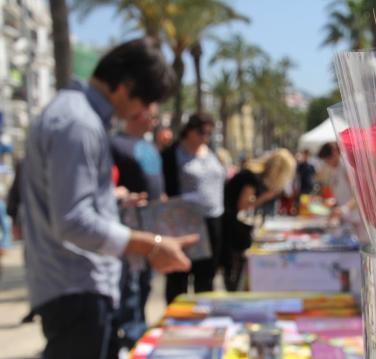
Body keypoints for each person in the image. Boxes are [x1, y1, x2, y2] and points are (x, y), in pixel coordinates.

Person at [21, 38, 198, 359]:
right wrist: (152, 244)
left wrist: (110, 200)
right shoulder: (79, 124)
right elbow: (73, 222)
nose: (145, 112)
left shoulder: (72, 114)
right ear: (124, 87)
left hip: (74, 289)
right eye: (145, 101)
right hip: (77, 291)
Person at [110, 103, 164, 349]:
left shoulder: (150, 146)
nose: (154, 120)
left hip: (151, 226)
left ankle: (139, 333)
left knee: (145, 283)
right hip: (129, 225)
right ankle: (132, 336)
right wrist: (122, 198)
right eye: (151, 115)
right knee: (130, 285)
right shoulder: (115, 145)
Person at [161, 113, 226, 303]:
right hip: (184, 221)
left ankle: (204, 317)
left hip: (212, 220)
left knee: (206, 275)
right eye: (202, 132)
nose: (206, 136)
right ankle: (175, 318)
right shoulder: (173, 154)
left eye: (209, 133)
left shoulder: (211, 151)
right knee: (179, 274)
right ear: (189, 131)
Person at [222, 149, 296, 291]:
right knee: (235, 270)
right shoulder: (251, 178)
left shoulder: (254, 175)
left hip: (234, 225)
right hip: (232, 227)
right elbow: (243, 205)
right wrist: (265, 197)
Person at [317, 142, 363, 232]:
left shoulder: (345, 167)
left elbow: (359, 194)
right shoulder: (335, 170)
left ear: (334, 154)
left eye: (327, 160)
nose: (327, 163)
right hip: (348, 219)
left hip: (357, 219)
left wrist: (344, 209)